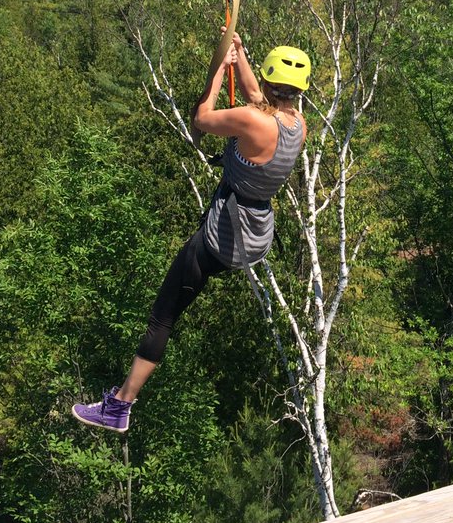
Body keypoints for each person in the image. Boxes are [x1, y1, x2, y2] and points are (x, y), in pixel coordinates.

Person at [71, 33, 310, 433]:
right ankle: (119, 404)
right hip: (251, 235)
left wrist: (218, 68)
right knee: (170, 309)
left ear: (270, 78)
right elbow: (257, 96)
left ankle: (119, 406)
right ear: (298, 90)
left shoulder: (253, 120)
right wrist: (238, 53)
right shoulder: (297, 125)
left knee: (162, 317)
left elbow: (203, 116)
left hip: (220, 236)